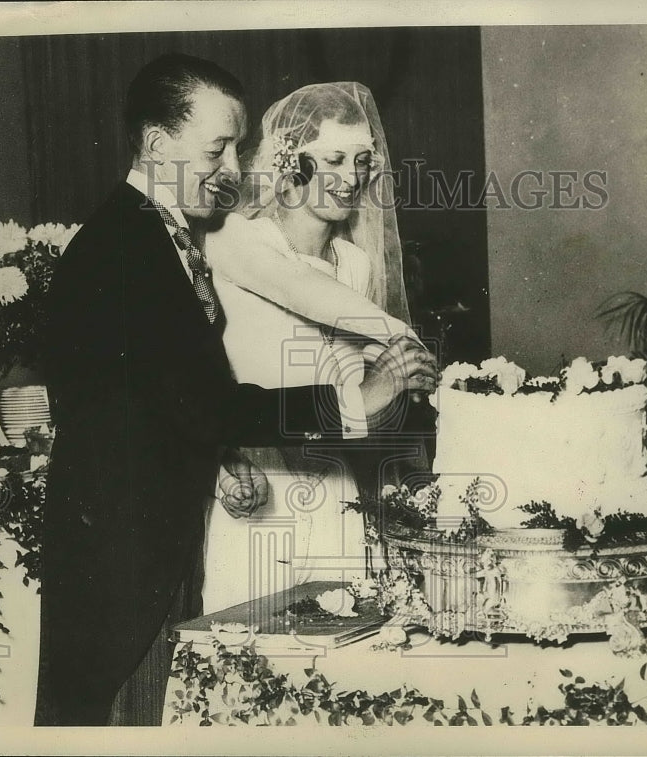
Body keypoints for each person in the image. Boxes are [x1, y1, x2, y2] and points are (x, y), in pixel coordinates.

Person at [36, 55, 437, 727]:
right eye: (216, 148)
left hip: (147, 544)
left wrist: (223, 455)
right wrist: (354, 401)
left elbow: (173, 397)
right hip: (124, 558)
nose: (230, 168)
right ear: (157, 143)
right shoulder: (126, 247)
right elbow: (207, 404)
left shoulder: (149, 234)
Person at [199, 82, 429, 615]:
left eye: (362, 161)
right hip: (260, 490)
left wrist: (400, 385)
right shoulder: (236, 239)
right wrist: (403, 339)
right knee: (249, 653)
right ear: (288, 160)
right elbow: (301, 288)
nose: (352, 178)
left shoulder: (357, 265)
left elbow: (368, 401)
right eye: (334, 159)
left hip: (339, 490)